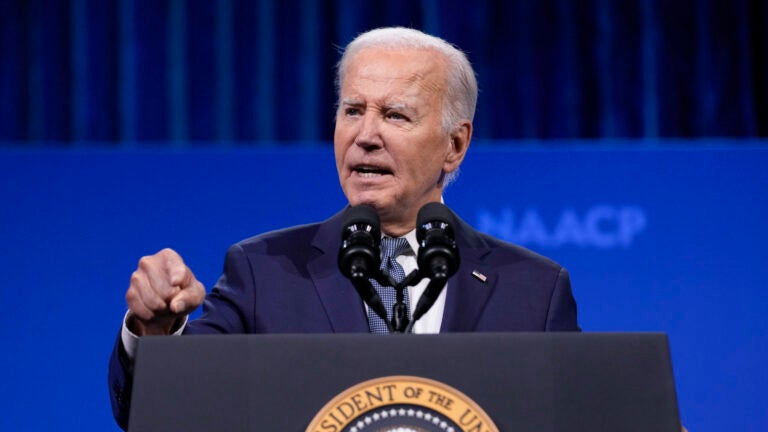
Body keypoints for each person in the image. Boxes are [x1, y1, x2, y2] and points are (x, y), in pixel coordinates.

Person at [108, 27, 579, 429]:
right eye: (353, 111)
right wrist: (156, 330)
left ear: (454, 145)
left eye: (395, 115)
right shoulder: (263, 271)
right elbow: (176, 414)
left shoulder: (533, 290)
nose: (365, 135)